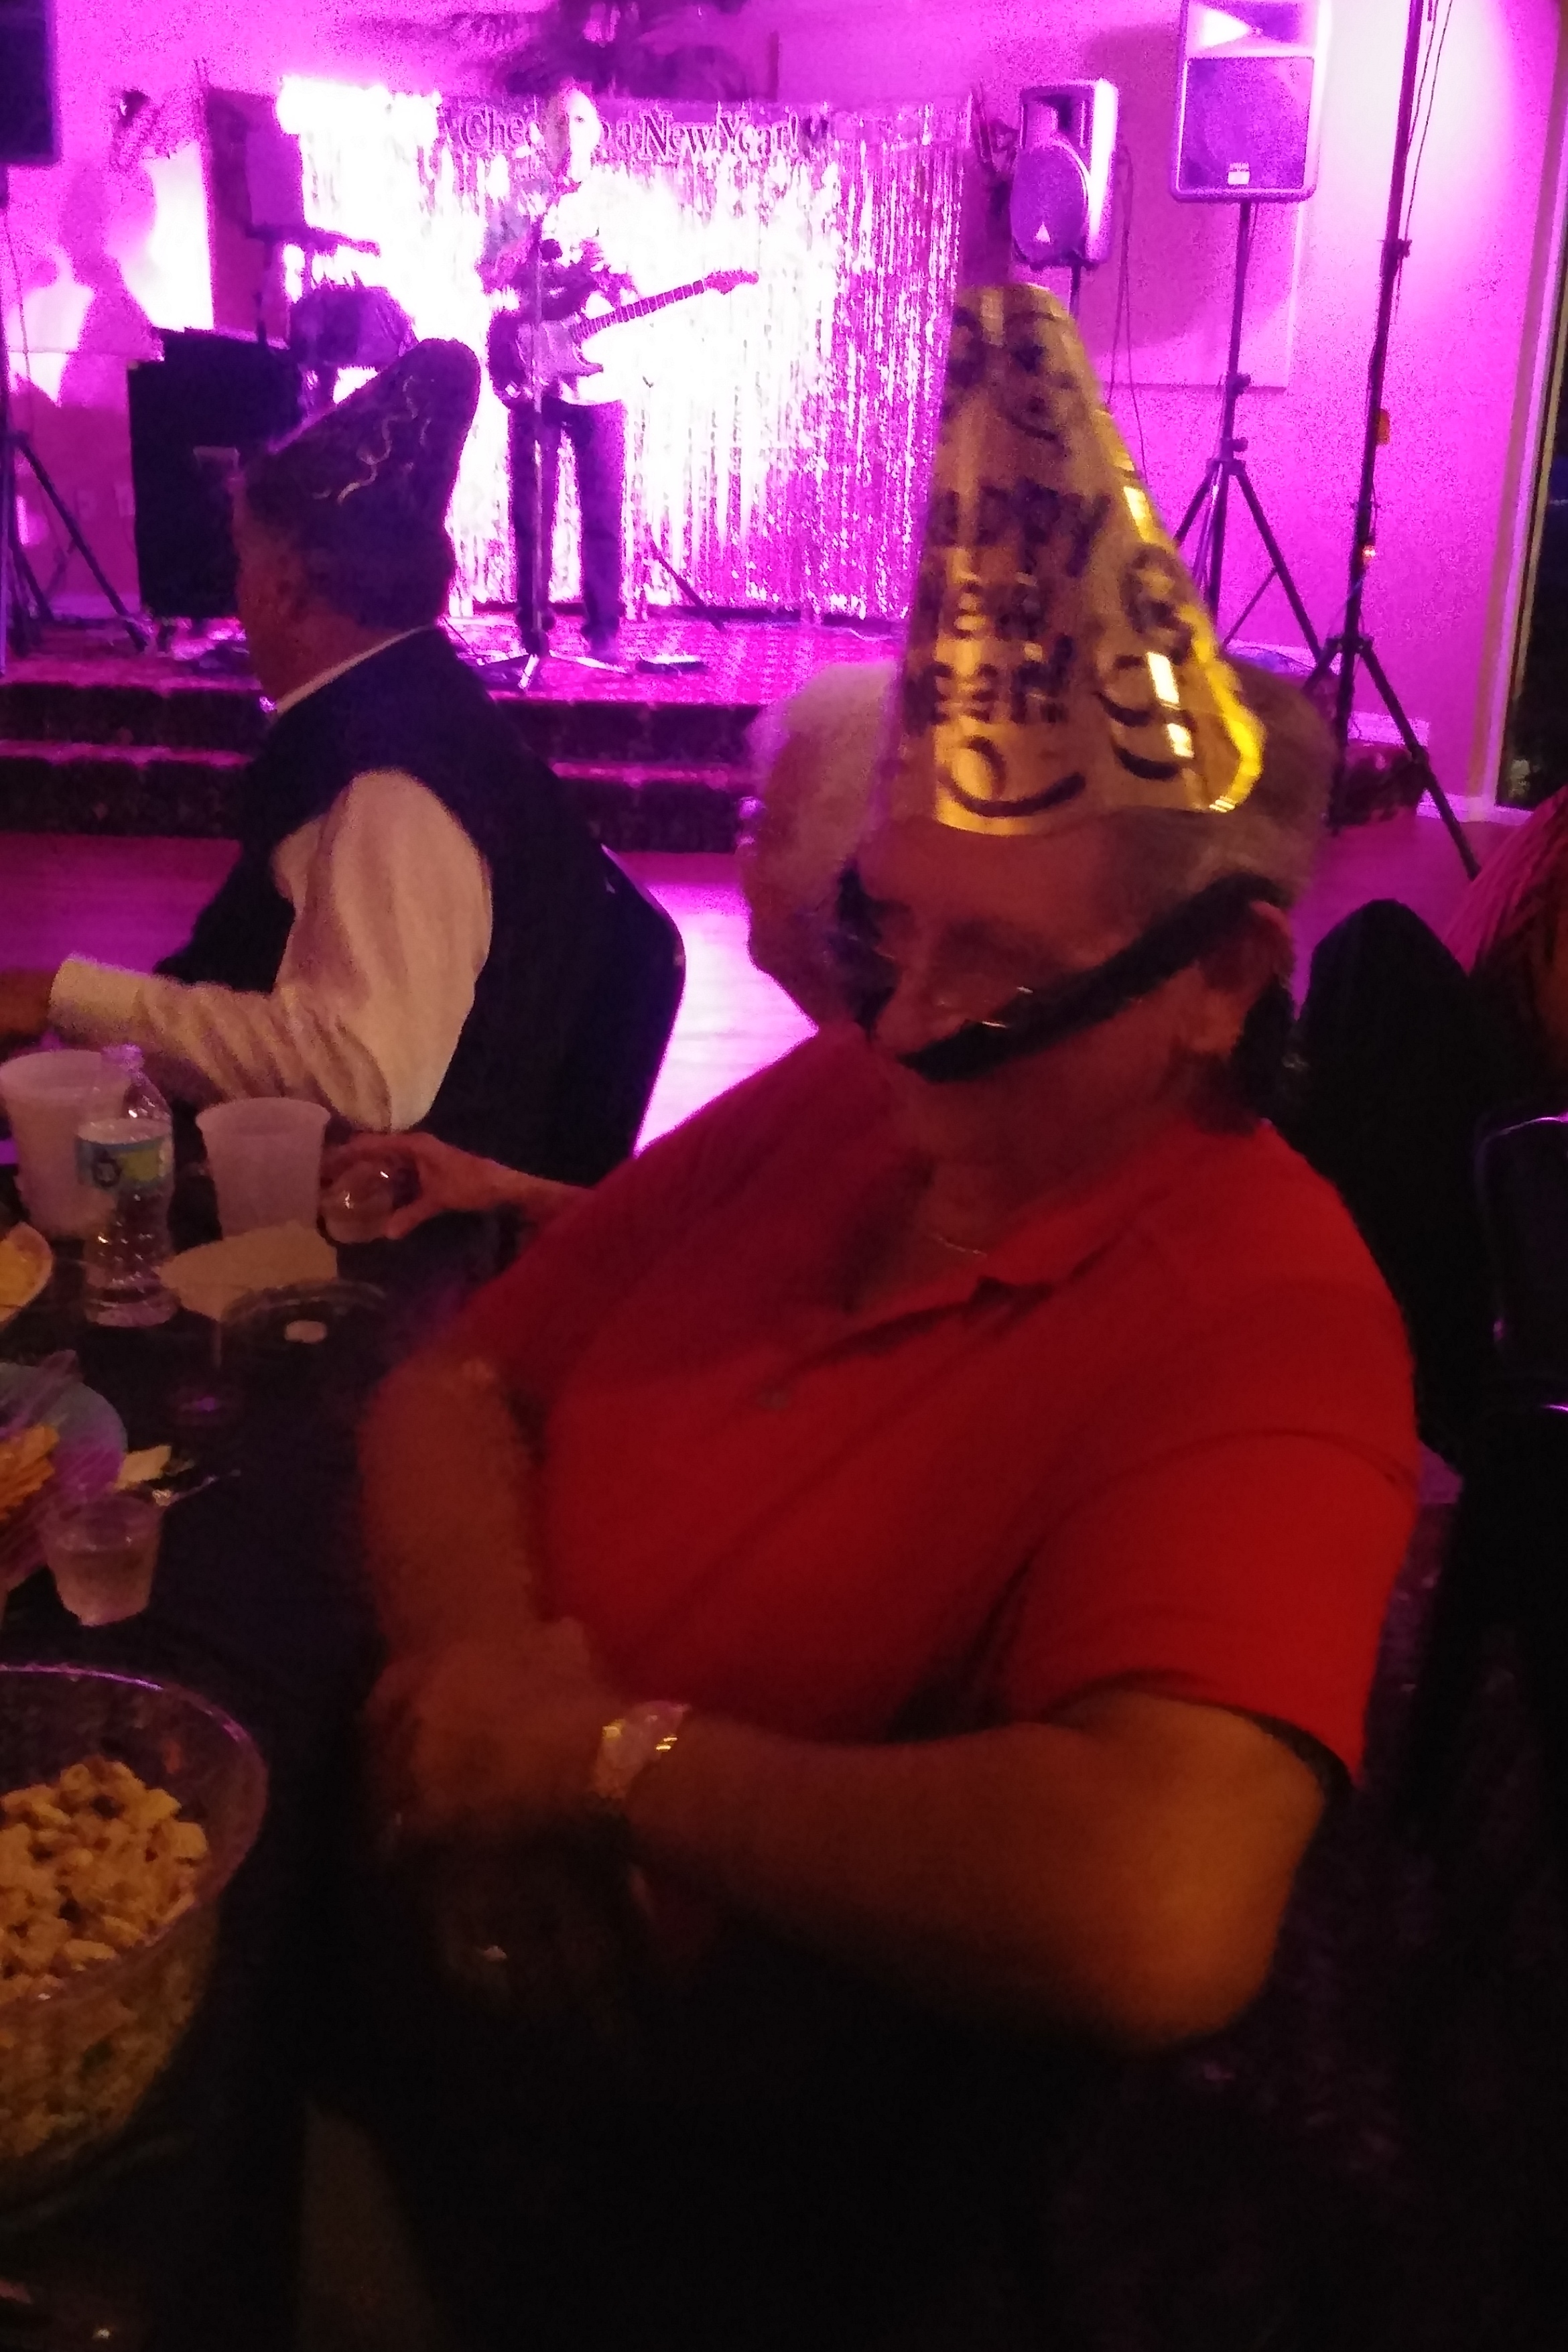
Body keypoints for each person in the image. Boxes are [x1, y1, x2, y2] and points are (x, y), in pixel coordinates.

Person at [347, 287, 1419, 2348]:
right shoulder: (866, 1092)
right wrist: (491, 1692)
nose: (902, 1023)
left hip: (685, 2193)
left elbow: (1159, 1906)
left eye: (994, 967)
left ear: (1215, 980)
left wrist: (610, 1765)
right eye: (884, 921)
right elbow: (457, 1378)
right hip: (439, 1926)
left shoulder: (1266, 1322)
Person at [0, 341, 644, 1181]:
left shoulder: (391, 779)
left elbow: (363, 1076)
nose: (238, 597)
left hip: (393, 1225)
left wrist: (64, 995)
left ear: (287, 590)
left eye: (244, 562)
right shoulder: (405, 708)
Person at [322, 653, 896, 1230]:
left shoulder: (880, 1121)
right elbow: (689, 1229)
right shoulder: (839, 1065)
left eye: (764, 820)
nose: (741, 844)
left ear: (841, 889)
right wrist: (503, 1189)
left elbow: (722, 1262)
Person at [481, 83, 632, 664]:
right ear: (542, 134)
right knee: (531, 508)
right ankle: (532, 626)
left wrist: (611, 270)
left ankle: (604, 628)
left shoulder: (619, 202)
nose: (570, 132)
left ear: (598, 133)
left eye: (580, 120)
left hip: (600, 373)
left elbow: (636, 282)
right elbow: (488, 276)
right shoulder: (517, 200)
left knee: (602, 508)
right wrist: (522, 244)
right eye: (558, 122)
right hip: (533, 372)